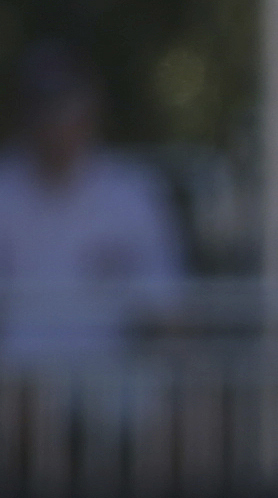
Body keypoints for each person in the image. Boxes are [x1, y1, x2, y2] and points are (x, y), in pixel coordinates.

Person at [0, 42, 183, 367]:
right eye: (42, 109)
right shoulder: (6, 189)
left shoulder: (133, 194)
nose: (53, 127)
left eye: (64, 109)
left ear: (91, 110)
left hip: (110, 395)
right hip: (14, 392)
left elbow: (167, 307)